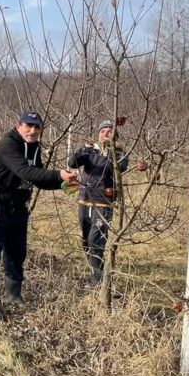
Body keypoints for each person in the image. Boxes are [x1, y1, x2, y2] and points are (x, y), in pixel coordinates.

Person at [0, 111, 77, 319]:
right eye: (28, 126)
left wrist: (60, 183)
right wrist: (59, 173)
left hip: (18, 207)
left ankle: (13, 294)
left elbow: (38, 178)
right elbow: (25, 172)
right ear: (18, 126)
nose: (32, 131)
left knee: (17, 252)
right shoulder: (8, 145)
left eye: (37, 127)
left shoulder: (33, 147)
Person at [68, 120, 129, 287]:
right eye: (103, 131)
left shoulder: (118, 154)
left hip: (103, 203)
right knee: (86, 240)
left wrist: (108, 150)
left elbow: (119, 168)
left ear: (115, 136)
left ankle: (99, 282)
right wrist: (84, 150)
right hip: (84, 199)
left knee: (97, 240)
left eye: (110, 131)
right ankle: (95, 274)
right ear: (98, 134)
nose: (106, 133)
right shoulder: (89, 151)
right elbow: (72, 163)